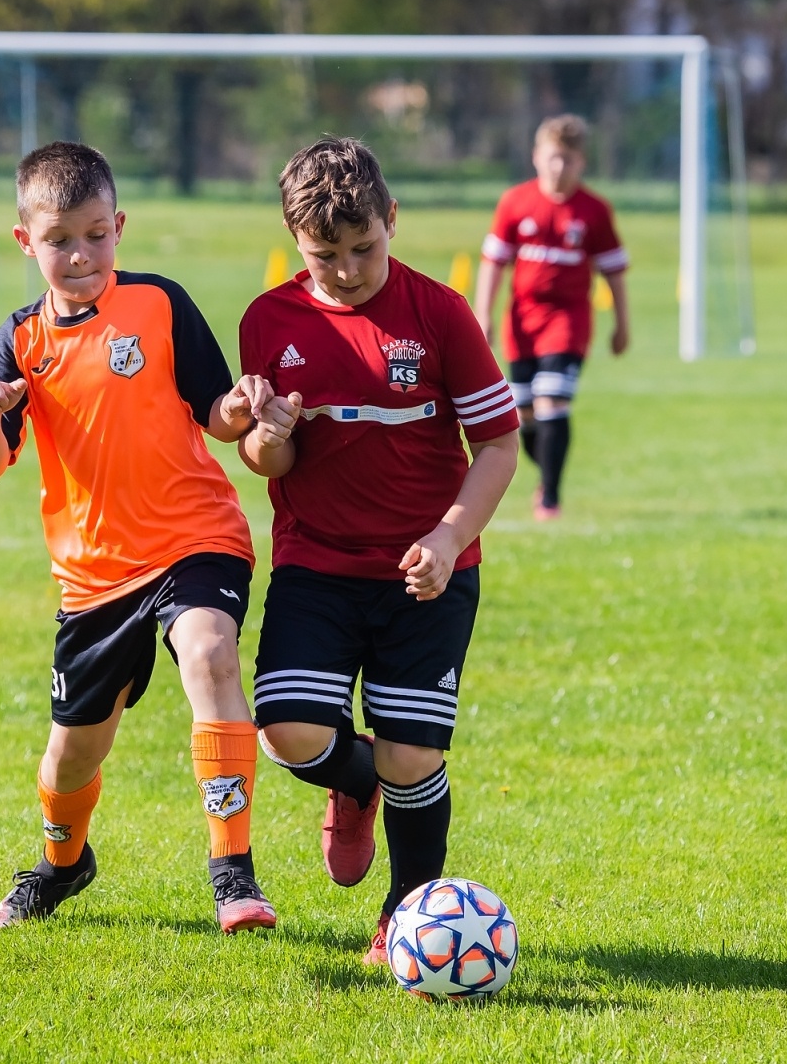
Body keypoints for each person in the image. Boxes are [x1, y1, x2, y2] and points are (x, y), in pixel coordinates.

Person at [0, 141, 278, 935]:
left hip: (194, 538)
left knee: (209, 653)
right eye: (61, 238)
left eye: (98, 234)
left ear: (120, 227)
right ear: (25, 241)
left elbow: (217, 413)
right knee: (69, 760)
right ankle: (62, 865)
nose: (81, 254)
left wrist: (242, 403)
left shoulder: (160, 305)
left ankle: (232, 873)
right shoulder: (21, 341)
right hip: (93, 580)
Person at [237, 136, 520, 965]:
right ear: (296, 241)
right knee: (286, 730)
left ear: (393, 220)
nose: (348, 269)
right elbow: (266, 459)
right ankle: (355, 786)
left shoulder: (439, 313)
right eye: (326, 255)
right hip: (317, 564)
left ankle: (406, 911)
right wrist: (270, 437)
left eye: (365, 248)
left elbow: (499, 443)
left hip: (427, 577)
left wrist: (449, 533)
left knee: (411, 751)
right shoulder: (271, 321)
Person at [474, 114, 629, 520]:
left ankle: (550, 499)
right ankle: (547, 474)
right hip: (522, 321)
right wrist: (482, 315)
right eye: (554, 157)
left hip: (569, 320)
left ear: (583, 163)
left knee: (552, 402)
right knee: (523, 414)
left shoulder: (594, 211)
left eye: (570, 159)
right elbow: (494, 263)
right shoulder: (515, 202)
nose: (561, 167)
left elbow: (614, 271)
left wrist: (622, 325)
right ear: (537, 157)